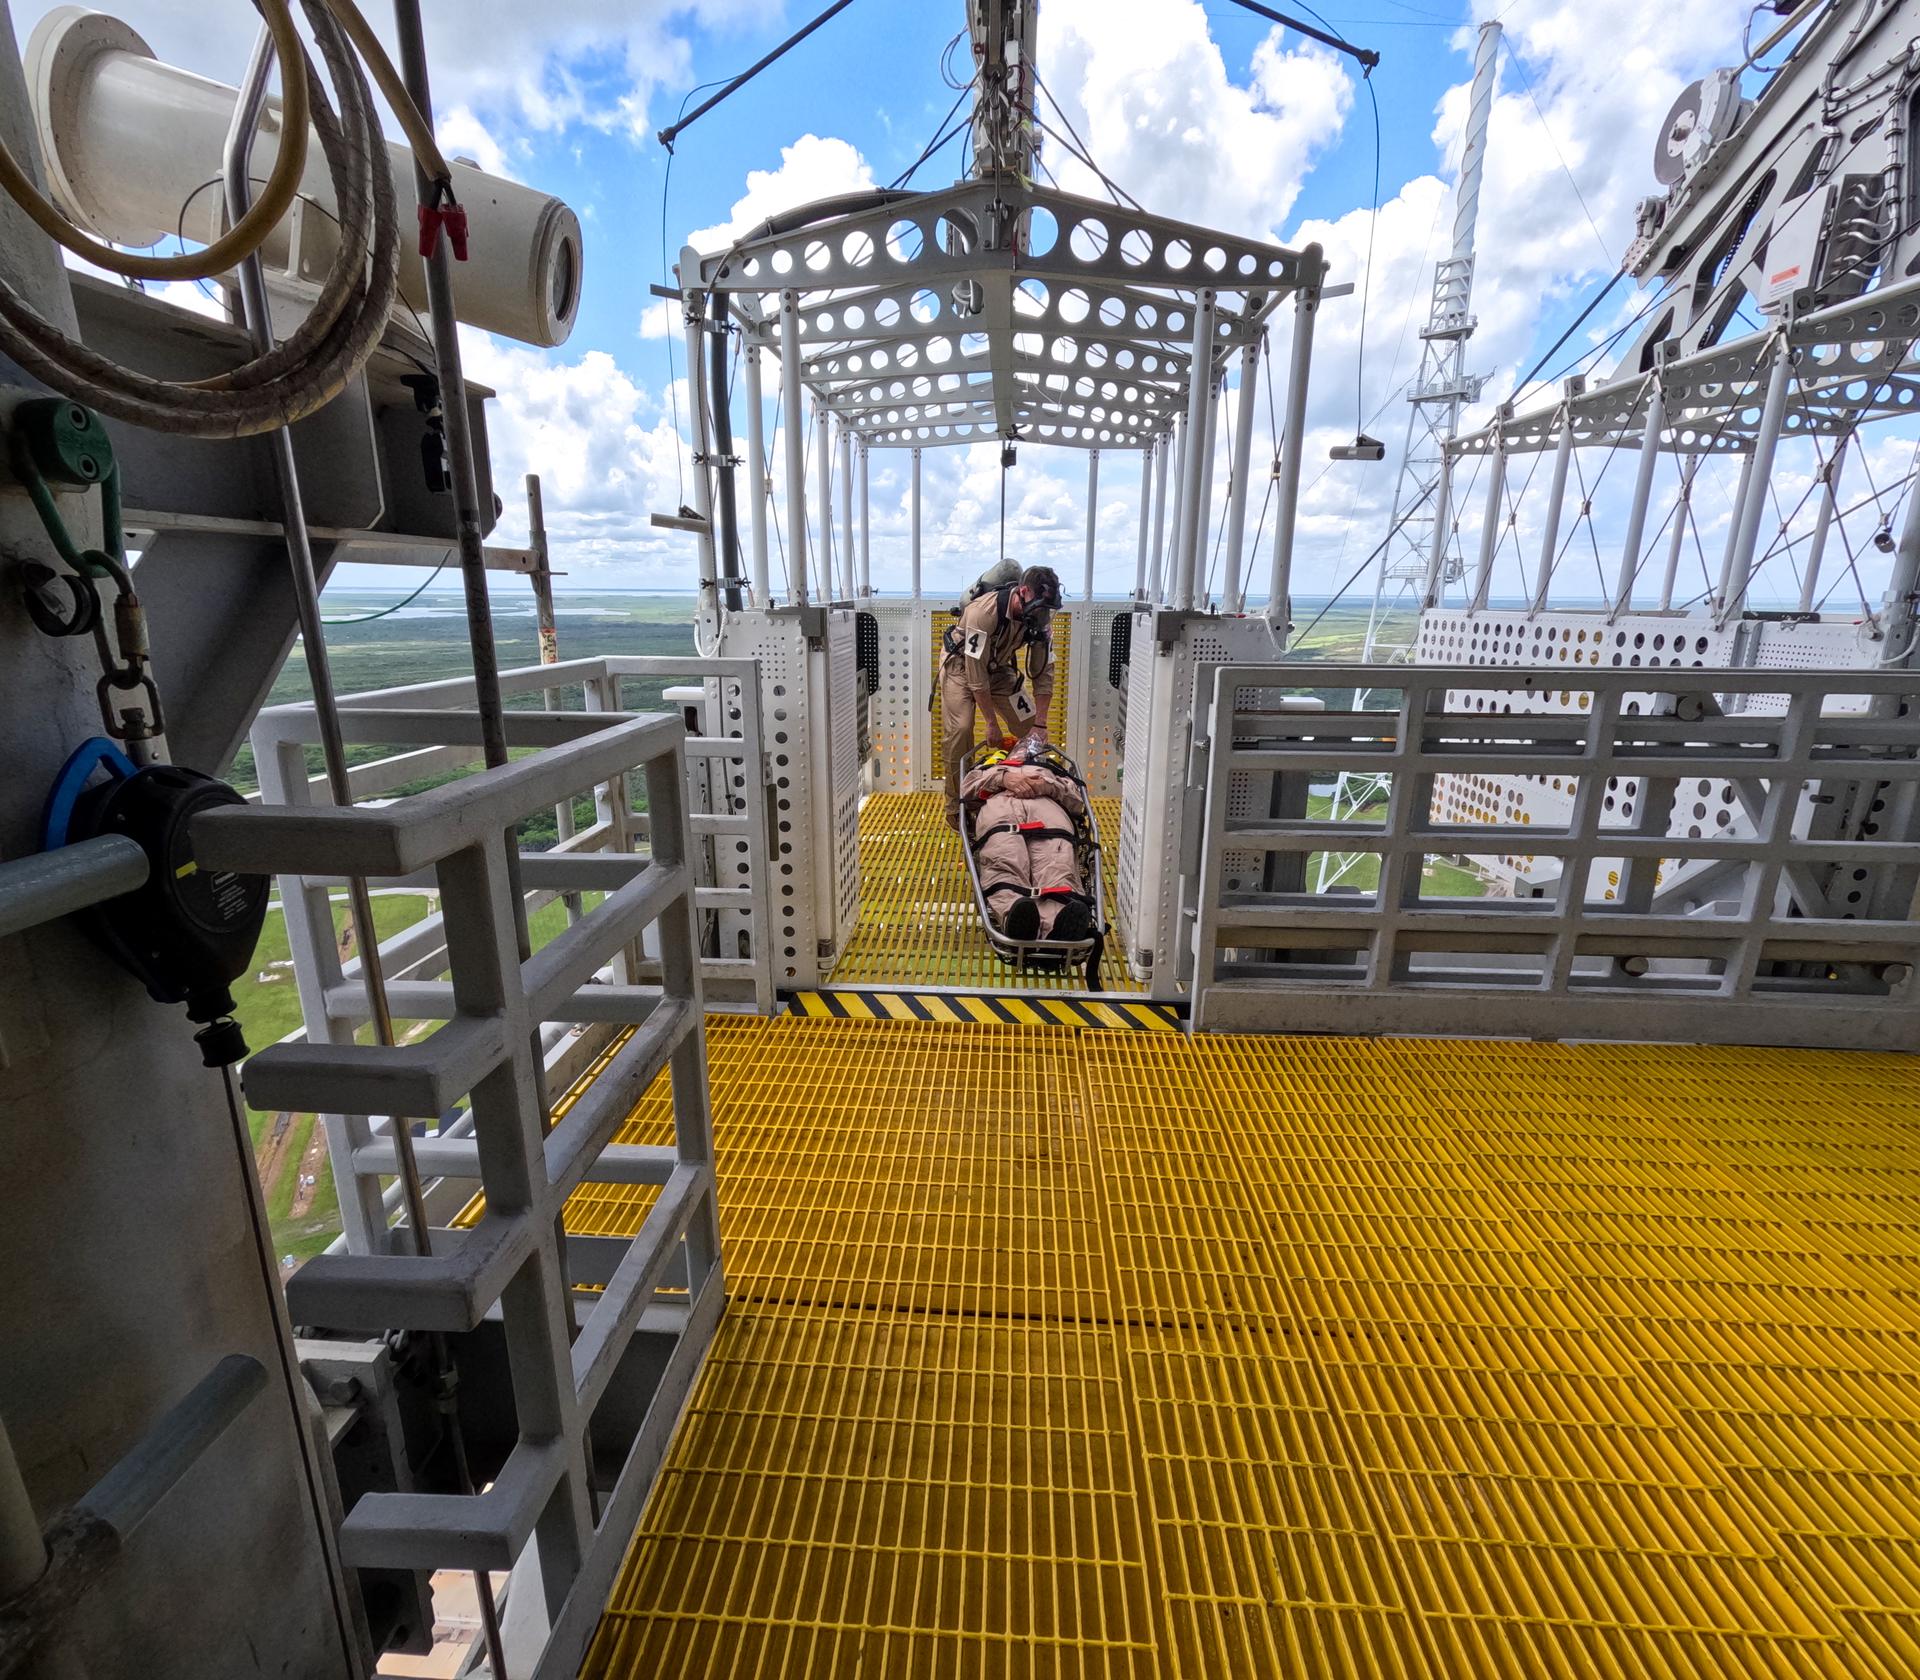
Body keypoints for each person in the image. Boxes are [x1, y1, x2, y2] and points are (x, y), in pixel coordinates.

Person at [940, 562, 1062, 829]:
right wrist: (991, 724)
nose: (1043, 615)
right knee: (961, 730)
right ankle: (958, 806)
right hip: (961, 667)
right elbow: (976, 675)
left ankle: (1025, 792)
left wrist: (1040, 724)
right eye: (1040, 607)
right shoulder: (982, 613)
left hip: (998, 666)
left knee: (1029, 727)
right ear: (1023, 592)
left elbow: (1044, 673)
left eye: (1048, 609)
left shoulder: (1040, 622)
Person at [960, 746, 1095, 943]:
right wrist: (1002, 778)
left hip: (1047, 805)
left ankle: (1058, 923)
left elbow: (1076, 802)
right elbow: (965, 792)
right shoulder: (989, 768)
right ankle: (1014, 915)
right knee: (1004, 857)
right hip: (1001, 805)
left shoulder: (1050, 771)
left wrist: (1047, 785)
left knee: (1056, 862)